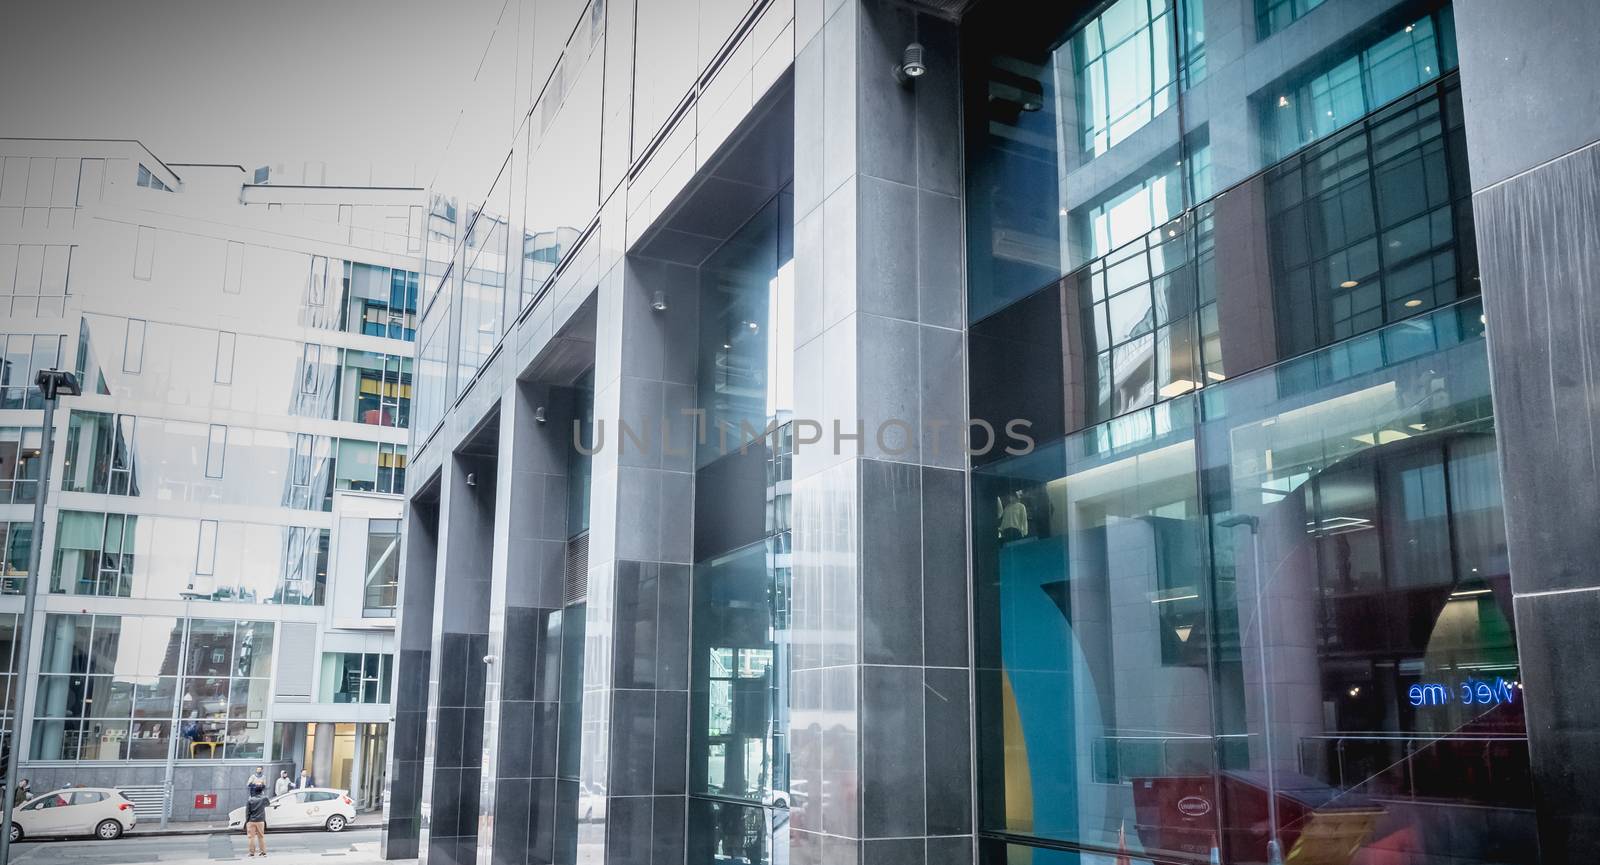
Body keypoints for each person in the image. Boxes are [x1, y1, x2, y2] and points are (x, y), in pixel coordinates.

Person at [244, 788, 269, 858]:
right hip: (261, 821)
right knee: (261, 837)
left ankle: (251, 853)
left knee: (251, 837)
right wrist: (263, 795)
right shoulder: (264, 799)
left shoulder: (250, 800)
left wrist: (247, 821)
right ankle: (263, 852)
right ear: (261, 792)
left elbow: (247, 812)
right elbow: (268, 803)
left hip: (251, 821)